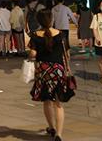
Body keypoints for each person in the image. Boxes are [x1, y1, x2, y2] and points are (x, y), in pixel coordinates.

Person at [28, 9, 71, 141]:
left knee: (47, 100)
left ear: (39, 21)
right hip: (58, 70)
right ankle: (59, 134)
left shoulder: (35, 35)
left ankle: (51, 127)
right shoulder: (61, 35)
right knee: (58, 103)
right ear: (51, 19)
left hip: (43, 71)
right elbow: (67, 54)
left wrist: (30, 54)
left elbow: (33, 54)